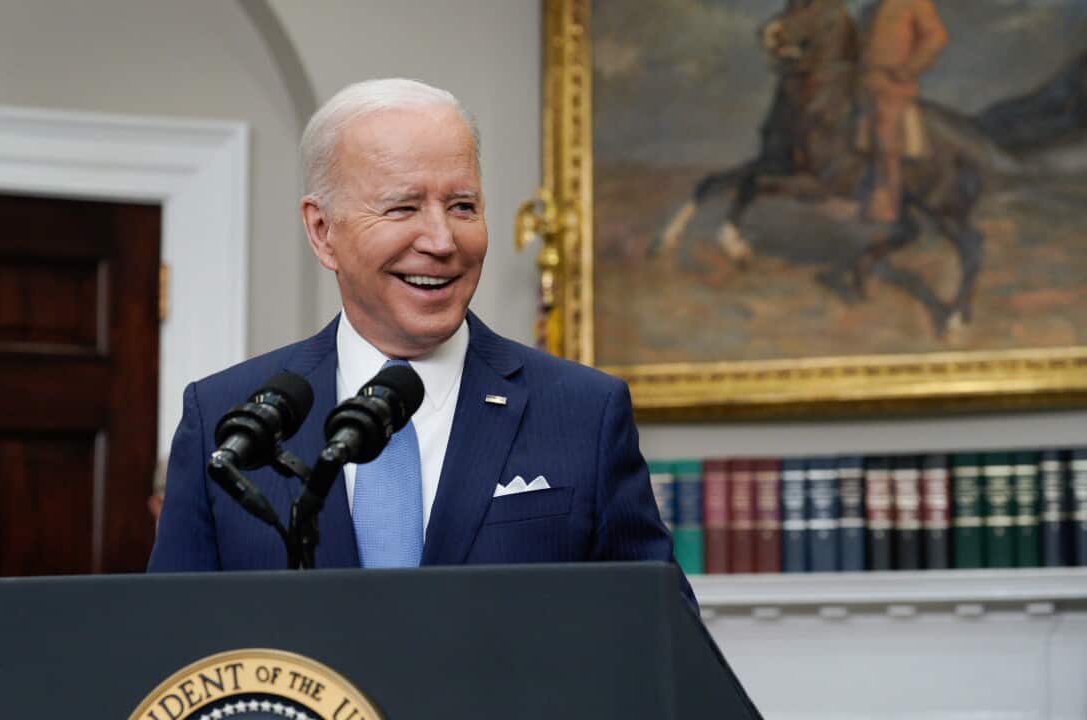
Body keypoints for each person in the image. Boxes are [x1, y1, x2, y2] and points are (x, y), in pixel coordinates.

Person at [148, 78, 695, 607]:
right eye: (403, 207)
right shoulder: (228, 419)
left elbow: (660, 643)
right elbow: (173, 655)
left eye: (462, 206)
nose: (442, 241)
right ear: (322, 231)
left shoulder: (582, 412)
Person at [859, 0, 948, 222]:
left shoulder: (915, 2)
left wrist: (909, 68)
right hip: (864, 81)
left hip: (893, 84)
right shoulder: (871, 8)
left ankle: (886, 201)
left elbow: (936, 36)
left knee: (885, 136)